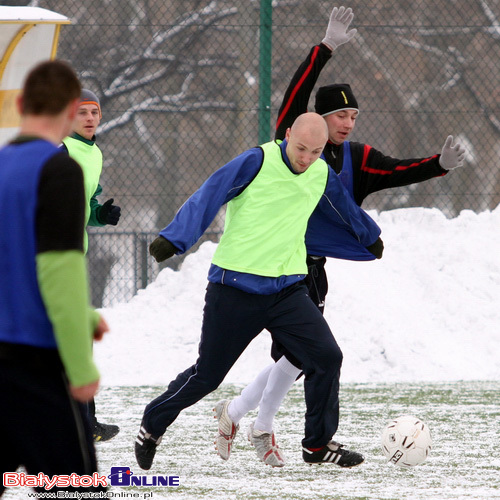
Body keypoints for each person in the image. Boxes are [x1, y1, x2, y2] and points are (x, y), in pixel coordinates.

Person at [215, 5, 466, 467]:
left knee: (295, 357)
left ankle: (242, 418)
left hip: (312, 269)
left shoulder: (356, 156)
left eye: (353, 114)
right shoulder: (293, 145)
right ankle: (254, 424)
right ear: (316, 120)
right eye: (339, 114)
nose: (348, 122)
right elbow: (295, 94)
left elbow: (396, 170)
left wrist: (438, 165)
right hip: (273, 266)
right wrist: (325, 47)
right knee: (300, 355)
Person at [134, 112, 383, 471]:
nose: (306, 158)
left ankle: (317, 445)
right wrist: (175, 238)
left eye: (315, 151)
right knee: (207, 376)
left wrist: (369, 236)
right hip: (235, 288)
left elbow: (343, 207)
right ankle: (152, 424)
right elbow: (211, 191)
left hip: (287, 290)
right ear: (286, 135)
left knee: (327, 357)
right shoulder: (257, 161)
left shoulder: (319, 173)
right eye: (300, 149)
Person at [0, 60, 108, 497]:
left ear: (21, 103)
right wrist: (80, 368)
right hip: (33, 363)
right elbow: (57, 270)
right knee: (76, 488)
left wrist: (81, 315)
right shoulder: (60, 169)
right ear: (69, 113)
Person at [60, 89, 121, 442]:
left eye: (93, 111)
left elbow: (85, 202)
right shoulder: (59, 150)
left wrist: (100, 214)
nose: (88, 117)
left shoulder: (93, 153)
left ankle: (87, 423)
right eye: (80, 111)